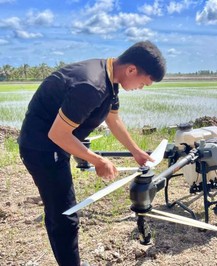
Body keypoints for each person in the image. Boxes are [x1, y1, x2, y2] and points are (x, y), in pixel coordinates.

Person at [18, 41, 166, 265]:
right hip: (43, 149)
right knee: (65, 215)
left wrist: (135, 150)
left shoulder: (110, 77)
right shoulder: (92, 85)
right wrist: (97, 160)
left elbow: (113, 118)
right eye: (143, 83)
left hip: (58, 143)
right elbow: (58, 134)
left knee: (62, 210)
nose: (141, 88)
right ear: (131, 70)